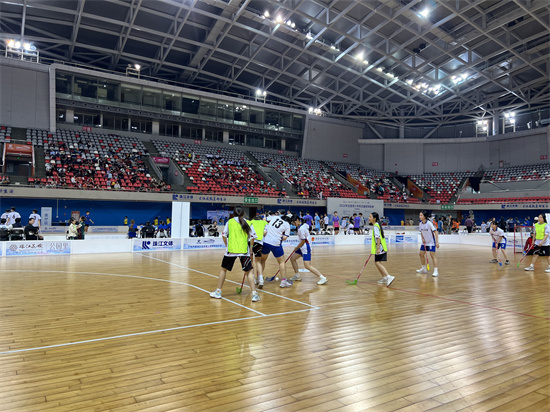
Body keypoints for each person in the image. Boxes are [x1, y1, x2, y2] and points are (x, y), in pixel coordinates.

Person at [210, 206, 260, 302]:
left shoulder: (230, 222)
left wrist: (227, 245)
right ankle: (254, 294)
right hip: (244, 251)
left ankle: (218, 292)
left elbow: (224, 235)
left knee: (223, 270)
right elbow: (252, 237)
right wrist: (251, 249)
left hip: (231, 250)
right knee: (249, 272)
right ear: (243, 213)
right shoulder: (248, 222)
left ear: (234, 213)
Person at [289, 215, 328, 285]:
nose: (294, 224)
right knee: (292, 259)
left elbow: (303, 241)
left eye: (294, 222)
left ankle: (322, 277)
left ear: (297, 220)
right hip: (302, 246)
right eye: (292, 223)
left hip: (306, 247)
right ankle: (297, 275)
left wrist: (296, 247)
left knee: (307, 266)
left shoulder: (301, 229)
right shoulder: (303, 225)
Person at [261, 213, 291, 288]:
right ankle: (283, 281)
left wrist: (266, 228)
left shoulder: (275, 217)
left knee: (262, 260)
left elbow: (264, 219)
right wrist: (279, 238)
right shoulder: (287, 224)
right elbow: (285, 237)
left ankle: (259, 279)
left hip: (266, 241)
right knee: (281, 261)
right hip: (275, 243)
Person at [369, 212, 394, 286]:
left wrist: (378, 248)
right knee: (377, 262)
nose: (369, 218)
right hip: (380, 247)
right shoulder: (376, 225)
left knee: (377, 263)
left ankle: (388, 276)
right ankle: (384, 277)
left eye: (370, 217)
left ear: (374, 218)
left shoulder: (376, 226)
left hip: (380, 248)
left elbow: (378, 238)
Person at [416, 210, 440, 277]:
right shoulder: (420, 224)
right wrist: (422, 238)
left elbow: (435, 232)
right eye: (419, 215)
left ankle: (436, 271)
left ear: (425, 216)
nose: (420, 216)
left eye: (421, 215)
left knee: (432, 256)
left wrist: (437, 242)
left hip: (431, 242)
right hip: (425, 243)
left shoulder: (429, 223)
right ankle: (424, 268)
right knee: (421, 254)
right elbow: (421, 232)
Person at [249, 214, 268, 289]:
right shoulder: (264, 223)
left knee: (251, 261)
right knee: (258, 261)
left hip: (250, 242)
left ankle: (253, 278)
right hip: (259, 243)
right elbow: (265, 233)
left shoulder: (251, 222)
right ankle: (260, 280)